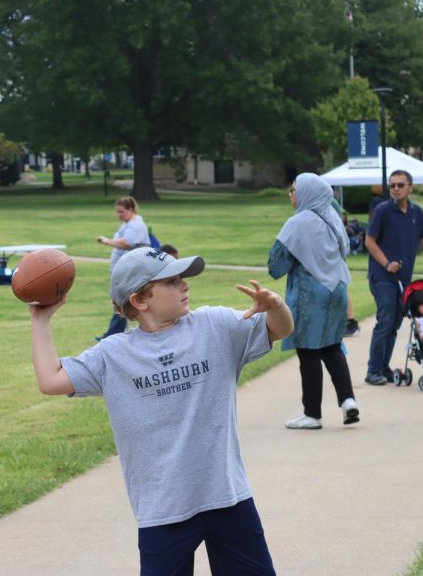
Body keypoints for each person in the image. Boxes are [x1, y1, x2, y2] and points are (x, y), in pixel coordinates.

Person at [29, 247, 293, 574]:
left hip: (227, 496)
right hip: (163, 508)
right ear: (140, 300)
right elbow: (50, 380)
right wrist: (41, 319)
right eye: (171, 281)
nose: (185, 286)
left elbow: (278, 330)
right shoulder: (114, 355)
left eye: (183, 278)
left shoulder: (216, 326)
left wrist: (276, 307)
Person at [269, 173, 360, 429]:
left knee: (308, 350)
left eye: (294, 190)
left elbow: (276, 265)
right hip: (338, 289)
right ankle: (348, 401)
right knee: (332, 346)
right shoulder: (332, 216)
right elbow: (346, 250)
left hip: (311, 294)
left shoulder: (297, 223)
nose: (291, 195)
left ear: (307, 193)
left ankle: (312, 414)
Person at [364, 170, 423, 385]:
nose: (396, 189)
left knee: (395, 323)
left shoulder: (416, 213)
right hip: (382, 276)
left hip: (403, 279)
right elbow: (369, 242)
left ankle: (384, 368)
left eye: (400, 185)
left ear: (410, 187)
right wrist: (386, 263)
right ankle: (373, 370)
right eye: (392, 186)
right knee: (386, 320)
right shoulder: (382, 211)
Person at [96, 196, 150, 339]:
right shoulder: (128, 223)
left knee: (123, 301)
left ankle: (111, 335)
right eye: (117, 212)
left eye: (121, 212)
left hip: (132, 272)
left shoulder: (135, 224)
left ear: (131, 209)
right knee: (122, 302)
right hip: (125, 272)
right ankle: (113, 334)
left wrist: (107, 241)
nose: (119, 215)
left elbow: (126, 243)